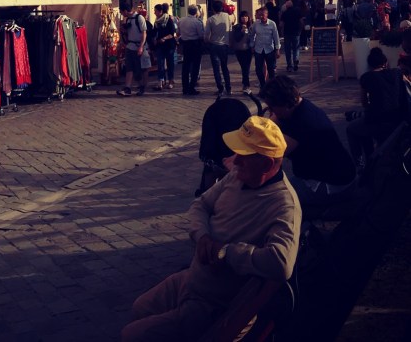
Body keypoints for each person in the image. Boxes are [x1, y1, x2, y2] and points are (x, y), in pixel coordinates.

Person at [121, 115, 300, 342]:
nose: (235, 161)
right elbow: (201, 205)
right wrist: (203, 236)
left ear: (265, 163)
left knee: (131, 335)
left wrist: (226, 252)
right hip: (194, 280)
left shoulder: (283, 204)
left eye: (243, 156)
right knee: (140, 307)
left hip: (214, 304)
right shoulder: (238, 177)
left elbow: (281, 264)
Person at [261, 75, 356, 215]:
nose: (271, 112)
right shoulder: (298, 105)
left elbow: (271, 154)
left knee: (271, 200)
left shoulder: (304, 122)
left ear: (286, 104)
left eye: (272, 108)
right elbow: (273, 122)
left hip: (332, 184)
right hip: (338, 175)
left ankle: (299, 231)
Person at [345, 46, 407, 169]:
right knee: (363, 120)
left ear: (370, 65)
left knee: (351, 129)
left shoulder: (366, 78)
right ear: (385, 62)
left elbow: (364, 102)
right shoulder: (397, 73)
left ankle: (360, 164)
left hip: (377, 120)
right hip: (398, 119)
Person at [115, 2, 148, 97]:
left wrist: (141, 46)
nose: (122, 14)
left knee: (140, 68)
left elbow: (144, 33)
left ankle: (142, 86)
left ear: (125, 11)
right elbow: (129, 32)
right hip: (130, 46)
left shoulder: (139, 18)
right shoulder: (128, 19)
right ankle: (127, 88)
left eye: (122, 12)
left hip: (138, 46)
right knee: (129, 67)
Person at [204, 0, 233, 97]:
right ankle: (228, 88)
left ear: (213, 9)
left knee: (216, 69)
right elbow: (231, 27)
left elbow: (206, 35)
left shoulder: (210, 19)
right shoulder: (227, 16)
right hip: (224, 45)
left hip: (214, 45)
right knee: (225, 67)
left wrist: (207, 41)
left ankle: (221, 88)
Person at [251, 6, 281, 93]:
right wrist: (252, 45)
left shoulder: (272, 24)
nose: (261, 17)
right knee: (258, 69)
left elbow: (276, 37)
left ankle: (272, 88)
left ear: (267, 15)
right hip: (258, 49)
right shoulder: (256, 24)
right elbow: (252, 35)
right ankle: (263, 86)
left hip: (269, 49)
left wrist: (277, 49)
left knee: (271, 70)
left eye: (263, 15)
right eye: (259, 15)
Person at [178, 4, 205, 96]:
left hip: (186, 45)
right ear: (196, 12)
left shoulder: (181, 20)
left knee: (185, 66)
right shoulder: (197, 22)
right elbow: (201, 35)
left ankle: (185, 88)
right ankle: (192, 87)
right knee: (195, 67)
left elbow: (178, 32)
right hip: (195, 45)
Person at [153, 3, 178, 91]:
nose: (154, 12)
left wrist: (164, 38)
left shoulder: (169, 19)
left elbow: (172, 33)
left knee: (170, 63)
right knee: (160, 63)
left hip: (169, 45)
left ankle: (171, 81)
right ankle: (161, 81)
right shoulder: (156, 21)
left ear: (160, 11)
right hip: (160, 45)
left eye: (155, 11)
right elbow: (154, 32)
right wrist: (154, 39)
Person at [229, 11, 253, 95]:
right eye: (242, 17)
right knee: (244, 67)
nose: (244, 18)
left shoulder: (252, 26)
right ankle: (246, 85)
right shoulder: (237, 27)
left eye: (246, 16)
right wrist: (242, 31)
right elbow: (236, 38)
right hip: (240, 50)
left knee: (247, 67)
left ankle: (245, 84)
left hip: (249, 50)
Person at [279, 0, 303, 72]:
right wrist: (301, 29)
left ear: (286, 6)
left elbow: (281, 24)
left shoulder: (284, 13)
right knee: (296, 48)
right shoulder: (297, 12)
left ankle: (289, 65)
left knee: (288, 50)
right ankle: (295, 60)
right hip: (296, 32)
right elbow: (301, 21)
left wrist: (281, 31)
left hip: (287, 33)